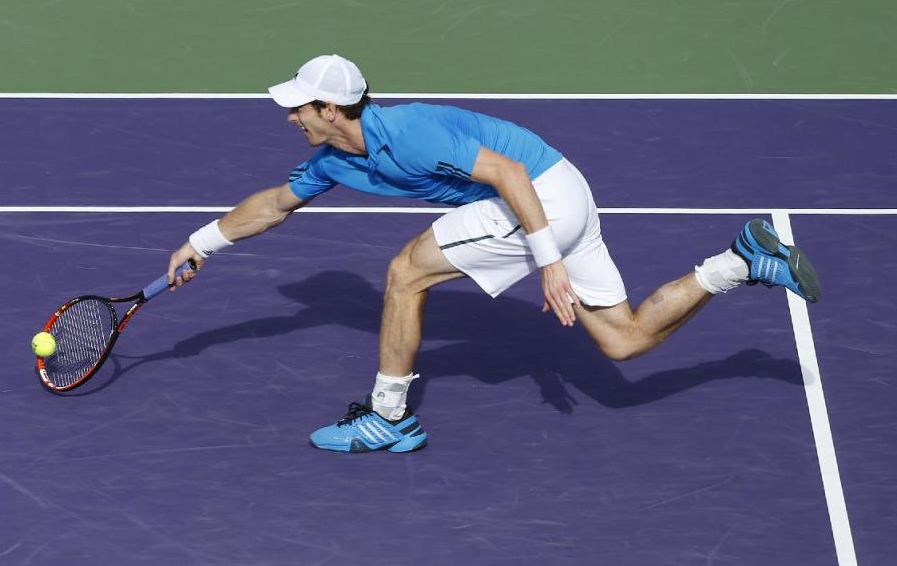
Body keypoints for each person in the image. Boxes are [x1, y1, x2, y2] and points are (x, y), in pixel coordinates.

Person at [166, 54, 821, 454]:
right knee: (624, 342)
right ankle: (739, 261)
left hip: (538, 197)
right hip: (566, 188)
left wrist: (549, 261)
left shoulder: (411, 132)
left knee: (404, 273)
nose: (290, 118)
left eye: (298, 108)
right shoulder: (334, 158)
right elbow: (276, 203)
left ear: (331, 108)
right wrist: (201, 243)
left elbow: (507, 173)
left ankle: (388, 419)